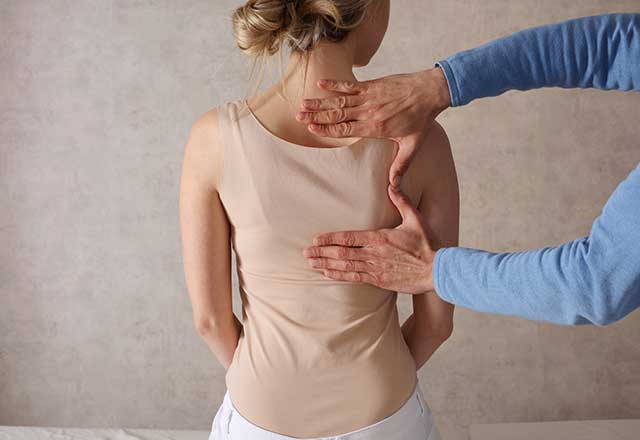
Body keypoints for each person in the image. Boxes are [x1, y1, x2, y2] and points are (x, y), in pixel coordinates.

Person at [179, 1, 456, 439]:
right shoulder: (422, 139)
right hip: (383, 413)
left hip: (262, 411)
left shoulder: (213, 138)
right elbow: (436, 323)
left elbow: (210, 321)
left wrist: (270, 379)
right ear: (369, 10)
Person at [300, 13, 640, 326]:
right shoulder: (244, 131)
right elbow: (610, 48)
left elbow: (595, 284)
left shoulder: (429, 145)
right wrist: (442, 83)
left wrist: (434, 271)